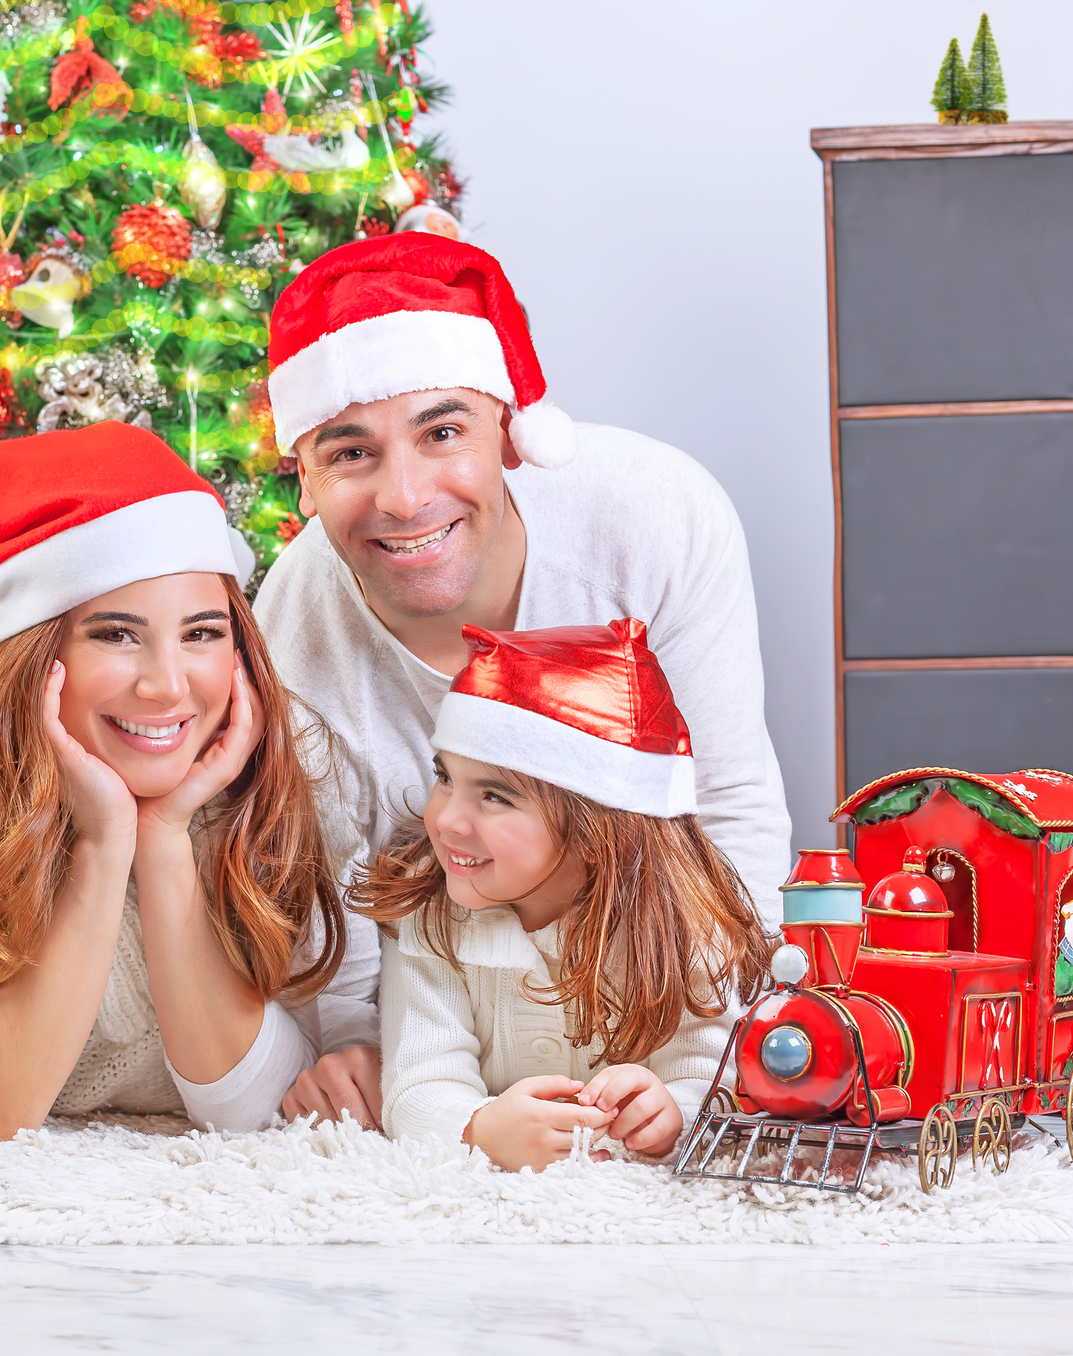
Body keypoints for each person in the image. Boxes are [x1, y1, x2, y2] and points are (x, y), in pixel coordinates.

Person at [253, 233, 791, 1130]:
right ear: (301, 476)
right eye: (349, 453)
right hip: (449, 1001)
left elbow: (727, 804)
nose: (405, 497)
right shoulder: (296, 632)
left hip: (656, 983)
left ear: (508, 430)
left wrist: (721, 1063)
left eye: (443, 433)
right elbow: (323, 893)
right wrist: (376, 1055)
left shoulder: (654, 517)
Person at [0, 422, 373, 1139]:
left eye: (202, 633)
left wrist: (165, 838)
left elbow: (260, 1107)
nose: (167, 686)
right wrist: (103, 841)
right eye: (116, 634)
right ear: (34, 651)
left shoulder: (285, 752)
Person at [354, 619, 770, 1171]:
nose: (448, 818)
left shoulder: (683, 928)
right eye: (446, 777)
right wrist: (478, 1130)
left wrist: (672, 1113)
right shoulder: (432, 917)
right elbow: (418, 1085)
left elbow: (717, 1081)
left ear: (598, 834)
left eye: (495, 796)